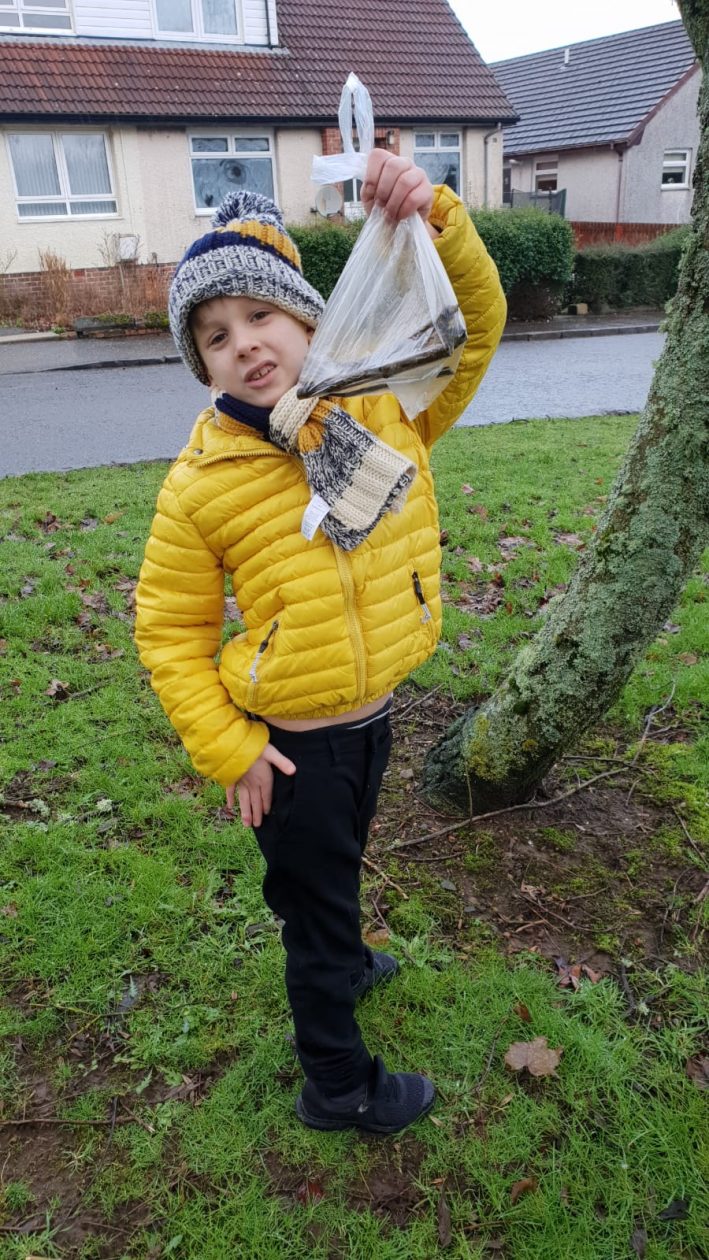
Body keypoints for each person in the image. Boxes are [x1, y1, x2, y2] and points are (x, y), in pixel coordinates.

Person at [135, 150, 506, 1134]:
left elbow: (471, 334)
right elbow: (167, 630)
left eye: (260, 315)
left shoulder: (379, 409)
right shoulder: (201, 483)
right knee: (314, 912)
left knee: (334, 876)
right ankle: (337, 1086)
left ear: (307, 318)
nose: (245, 344)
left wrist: (434, 217)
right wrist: (233, 750)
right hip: (294, 754)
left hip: (371, 721)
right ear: (201, 362)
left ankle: (343, 953)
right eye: (215, 335)